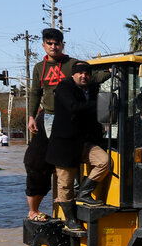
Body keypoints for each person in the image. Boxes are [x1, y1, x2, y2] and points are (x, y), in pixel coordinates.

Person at [45, 61, 112, 230]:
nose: (84, 76)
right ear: (73, 75)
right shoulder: (64, 87)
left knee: (105, 161)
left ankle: (83, 192)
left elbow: (97, 113)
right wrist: (100, 104)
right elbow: (73, 108)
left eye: (87, 74)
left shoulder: (92, 89)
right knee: (65, 183)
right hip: (65, 143)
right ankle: (70, 219)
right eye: (80, 73)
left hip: (84, 142)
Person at [23, 28, 80, 221]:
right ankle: (33, 211)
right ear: (44, 45)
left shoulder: (73, 64)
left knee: (68, 161)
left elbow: (90, 77)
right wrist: (31, 117)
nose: (53, 46)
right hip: (46, 116)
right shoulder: (40, 67)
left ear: (62, 45)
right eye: (49, 43)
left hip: (71, 119)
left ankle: (67, 201)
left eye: (57, 43)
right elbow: (35, 93)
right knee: (34, 162)